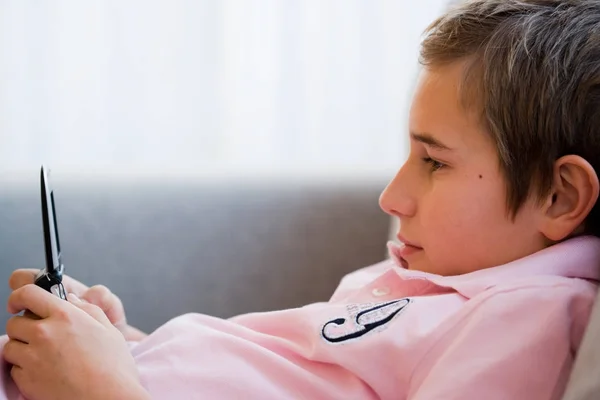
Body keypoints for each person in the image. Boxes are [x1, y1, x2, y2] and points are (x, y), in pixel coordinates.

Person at [4, 0, 600, 398]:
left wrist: (106, 388)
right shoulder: (438, 275)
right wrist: (130, 347)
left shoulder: (526, 314)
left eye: (435, 162)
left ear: (558, 195)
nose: (392, 198)